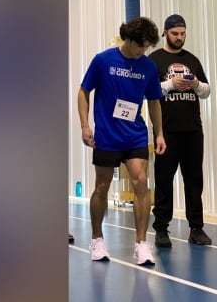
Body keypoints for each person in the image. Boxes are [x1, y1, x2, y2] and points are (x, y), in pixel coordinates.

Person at [78, 17, 167, 265]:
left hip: (135, 134)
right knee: (102, 186)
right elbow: (84, 91)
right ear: (129, 39)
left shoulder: (148, 67)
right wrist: (85, 126)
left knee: (141, 182)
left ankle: (141, 243)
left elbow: (154, 101)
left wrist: (158, 133)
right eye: (142, 46)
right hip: (107, 135)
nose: (144, 51)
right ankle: (97, 238)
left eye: (148, 47)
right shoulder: (103, 60)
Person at [148, 14, 212, 247]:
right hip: (166, 131)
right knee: (164, 180)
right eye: (175, 34)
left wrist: (195, 84)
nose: (179, 38)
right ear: (165, 33)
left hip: (193, 130)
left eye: (183, 34)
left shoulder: (192, 60)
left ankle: (196, 228)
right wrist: (170, 85)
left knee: (194, 180)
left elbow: (206, 91)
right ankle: (162, 229)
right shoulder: (153, 60)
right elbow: (148, 91)